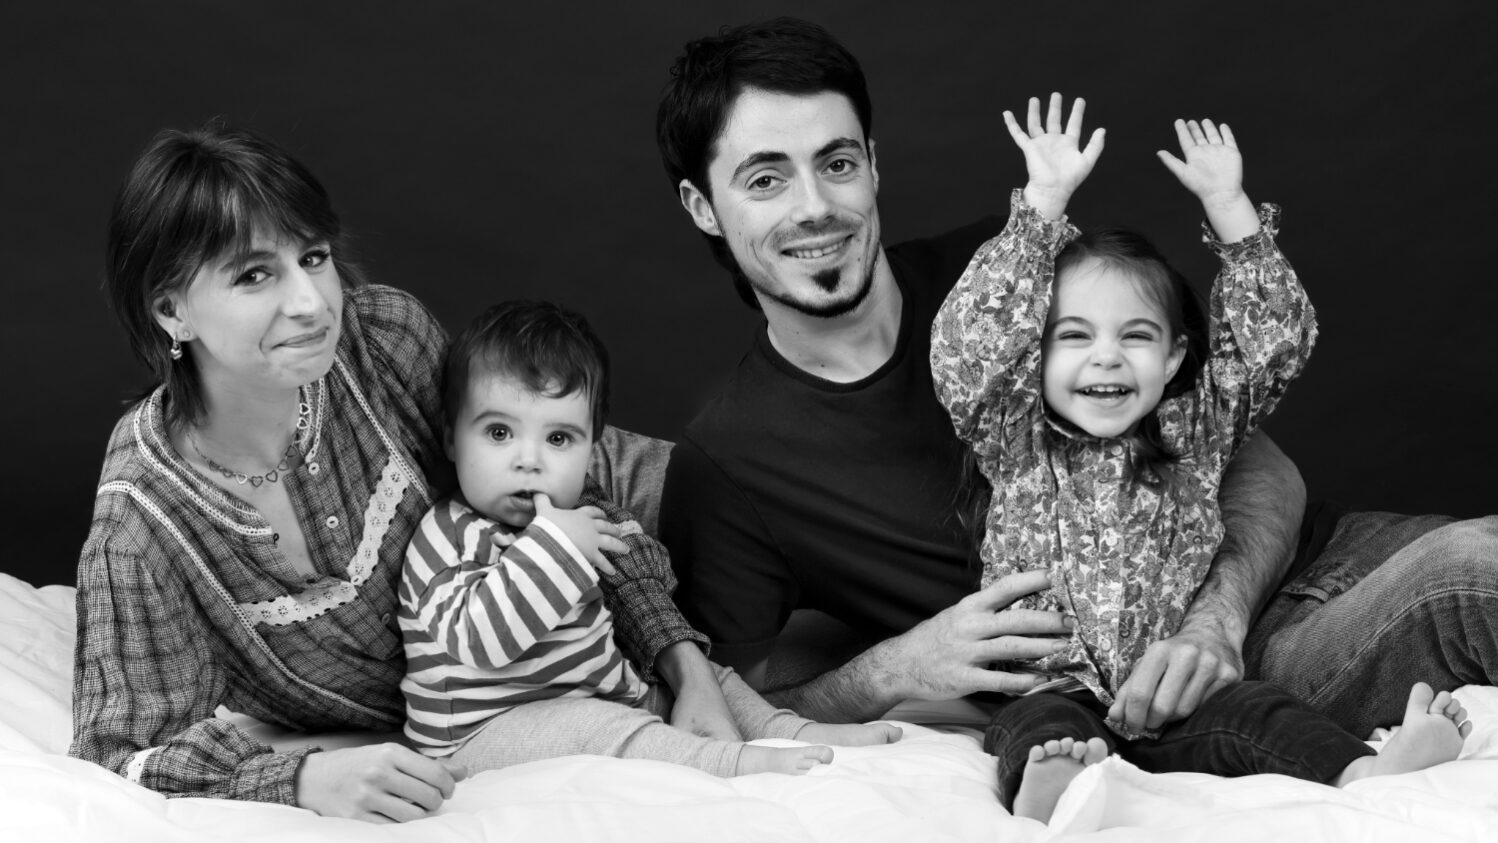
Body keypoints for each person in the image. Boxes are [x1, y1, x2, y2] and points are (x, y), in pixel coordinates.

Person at [655, 16, 1498, 747]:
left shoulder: (1011, 266)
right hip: (1212, 677)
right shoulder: (729, 460)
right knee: (1471, 571)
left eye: (837, 162)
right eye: (765, 178)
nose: (814, 206)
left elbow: (1250, 452)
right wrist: (891, 670)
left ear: (873, 165)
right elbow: (728, 702)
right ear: (701, 206)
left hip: (1304, 564)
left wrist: (1218, 616)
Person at [71, 122, 684, 823]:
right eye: (253, 275)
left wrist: (678, 660)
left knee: (746, 498)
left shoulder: (384, 339)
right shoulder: (142, 522)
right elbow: (120, 750)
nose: (311, 302)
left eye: (313, 256)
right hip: (501, 698)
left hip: (588, 489)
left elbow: (558, 486)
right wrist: (302, 778)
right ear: (171, 311)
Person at [930, 93, 1471, 821]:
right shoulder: (1016, 438)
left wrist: (1230, 208)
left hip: (1174, 691)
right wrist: (1041, 206)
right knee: (1036, 727)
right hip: (1052, 684)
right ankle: (1052, 782)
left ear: (1174, 356)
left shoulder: (1197, 429)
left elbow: (1274, 343)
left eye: (1135, 336)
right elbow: (968, 350)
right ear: (1035, 355)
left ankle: (1365, 770)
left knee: (1260, 712)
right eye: (1075, 336)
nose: (1107, 357)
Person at [399, 301, 901, 777]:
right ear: (451, 438)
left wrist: (619, 547)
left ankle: (791, 731)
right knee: (600, 729)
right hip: (482, 730)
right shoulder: (447, 536)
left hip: (598, 695)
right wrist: (555, 548)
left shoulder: (577, 519)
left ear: (591, 450)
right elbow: (480, 644)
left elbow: (644, 581)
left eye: (558, 439)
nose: (528, 461)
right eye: (498, 433)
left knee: (712, 679)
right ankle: (726, 764)